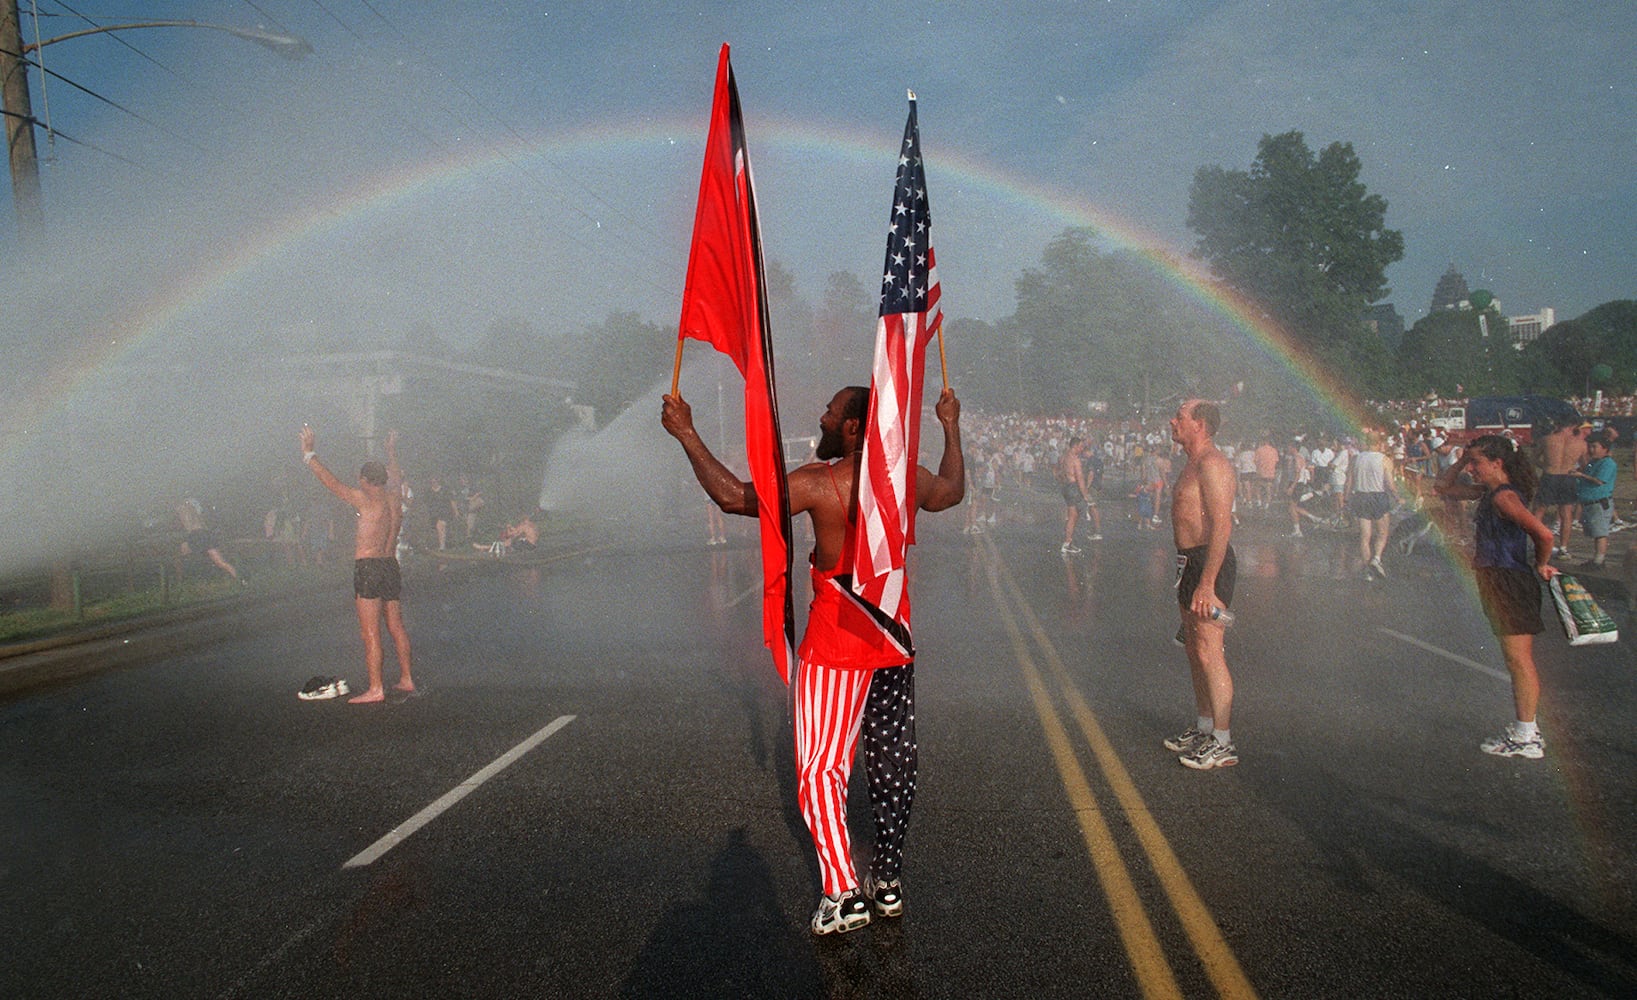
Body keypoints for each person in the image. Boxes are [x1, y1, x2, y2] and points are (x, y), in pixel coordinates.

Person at [662, 385, 964, 936]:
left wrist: (686, 433)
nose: (821, 417)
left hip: (836, 648)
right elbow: (951, 493)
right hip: (894, 642)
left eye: (830, 411)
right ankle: (888, 881)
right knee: (893, 763)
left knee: (822, 770)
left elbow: (736, 498)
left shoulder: (822, 483)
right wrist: (950, 425)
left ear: (852, 427)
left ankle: (843, 891)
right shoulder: (907, 478)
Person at [1435, 435, 1558, 759]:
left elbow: (1544, 533)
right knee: (1515, 659)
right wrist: (1460, 460)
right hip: (1498, 579)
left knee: (1518, 660)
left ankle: (1526, 735)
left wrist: (1542, 563)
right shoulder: (1491, 493)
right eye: (1470, 462)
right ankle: (1526, 729)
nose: (1471, 469)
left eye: (1476, 463)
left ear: (1497, 464)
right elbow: (1443, 489)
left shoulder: (1504, 498)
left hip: (1508, 580)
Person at [299, 426, 416, 705]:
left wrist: (308, 453)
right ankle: (407, 678)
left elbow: (330, 482)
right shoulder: (395, 497)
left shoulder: (364, 498)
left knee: (370, 632)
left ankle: (376, 688)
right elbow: (396, 474)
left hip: (368, 567)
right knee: (396, 626)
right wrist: (391, 451)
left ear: (364, 480)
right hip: (390, 564)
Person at [1163, 400, 1239, 770]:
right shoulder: (1191, 463)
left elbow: (1223, 525)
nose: (1173, 421)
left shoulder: (1213, 464)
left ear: (1201, 424)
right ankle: (1205, 727)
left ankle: (1223, 743)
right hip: (1188, 563)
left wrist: (1207, 584)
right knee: (1194, 649)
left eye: (1181, 416)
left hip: (1211, 563)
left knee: (1210, 650)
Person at [1535, 419, 1588, 557]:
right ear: (1574, 426)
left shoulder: (1546, 439)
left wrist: (1546, 466)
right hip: (1568, 477)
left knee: (1539, 510)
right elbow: (1585, 465)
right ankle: (1563, 548)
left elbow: (1534, 458)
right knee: (1566, 513)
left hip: (1550, 476)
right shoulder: (1581, 444)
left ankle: (1534, 543)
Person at [1350, 432, 1394, 579]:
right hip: (1378, 496)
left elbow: (1348, 481)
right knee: (1382, 533)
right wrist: (1398, 497)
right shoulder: (1384, 459)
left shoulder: (1356, 458)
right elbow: (1389, 483)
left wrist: (1346, 499)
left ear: (1366, 442)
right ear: (1380, 443)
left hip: (1361, 496)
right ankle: (1376, 559)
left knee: (1365, 536)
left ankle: (1368, 571)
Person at [1573, 434, 1616, 568]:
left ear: (1605, 448)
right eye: (1590, 446)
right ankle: (1596, 558)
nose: (1591, 450)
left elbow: (1599, 481)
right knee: (1595, 531)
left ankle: (1599, 560)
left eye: (1595, 447)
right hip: (1590, 502)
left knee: (1600, 533)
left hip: (1599, 502)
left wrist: (1581, 475)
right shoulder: (1593, 462)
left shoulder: (1608, 463)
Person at [176, 497, 242, 583]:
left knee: (220, 562)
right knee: (220, 562)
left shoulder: (186, 510)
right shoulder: (198, 514)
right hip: (202, 535)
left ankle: (240, 579)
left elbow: (190, 525)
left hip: (198, 536)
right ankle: (180, 581)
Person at [1057, 438, 1094, 553]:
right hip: (1073, 487)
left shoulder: (1063, 457)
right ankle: (1067, 542)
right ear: (1075, 446)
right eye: (1081, 446)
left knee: (1072, 515)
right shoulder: (1075, 460)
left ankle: (1068, 542)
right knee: (1074, 516)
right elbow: (1080, 479)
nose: (1082, 449)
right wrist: (1086, 495)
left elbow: (1058, 473)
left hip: (1065, 487)